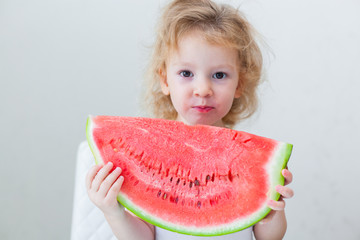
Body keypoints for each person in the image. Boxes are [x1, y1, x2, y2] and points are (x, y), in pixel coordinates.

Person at [85, 0, 294, 239]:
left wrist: (272, 213)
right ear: (165, 80)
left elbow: (269, 237)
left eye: (219, 75)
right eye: (186, 73)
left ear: (240, 84)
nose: (202, 89)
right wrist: (113, 211)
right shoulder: (151, 155)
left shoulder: (253, 161)